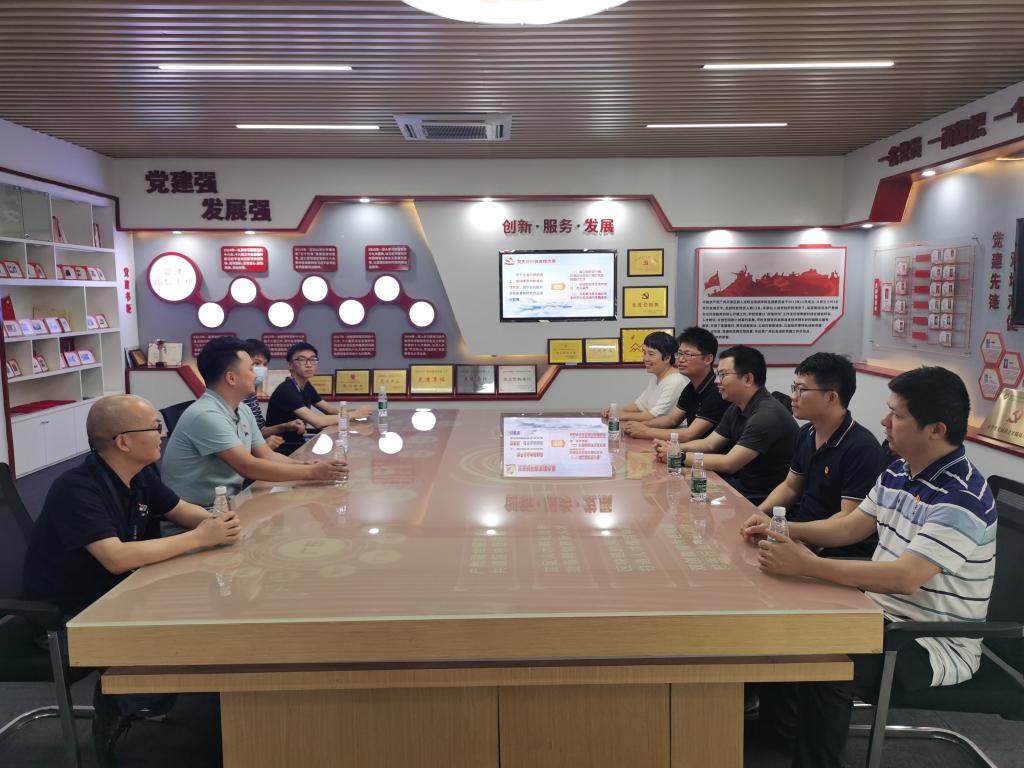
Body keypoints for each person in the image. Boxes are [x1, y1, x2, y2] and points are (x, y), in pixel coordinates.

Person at [740, 366, 996, 768]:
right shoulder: (898, 470)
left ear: (936, 429)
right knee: (784, 620)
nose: (884, 421)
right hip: (877, 614)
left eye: (897, 415)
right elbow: (850, 526)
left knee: (826, 660)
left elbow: (905, 577)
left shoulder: (961, 498)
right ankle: (778, 738)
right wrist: (782, 528)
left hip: (930, 641)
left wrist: (808, 563)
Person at [20, 393, 241, 764]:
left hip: (120, 593)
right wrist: (201, 538)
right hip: (68, 617)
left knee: (214, 604)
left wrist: (217, 522)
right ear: (123, 441)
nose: (163, 433)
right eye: (155, 427)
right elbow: (116, 558)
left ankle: (162, 700)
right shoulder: (77, 489)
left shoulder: (139, 475)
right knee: (198, 616)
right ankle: (125, 711)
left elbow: (182, 511)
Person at [162, 336, 347, 507]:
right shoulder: (206, 415)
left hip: (233, 501)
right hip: (203, 513)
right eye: (251, 369)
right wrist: (312, 473)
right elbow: (248, 467)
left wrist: (305, 466)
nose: (256, 375)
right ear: (231, 378)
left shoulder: (242, 409)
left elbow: (266, 455)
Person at [754, 352, 883, 557]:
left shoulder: (862, 448)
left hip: (832, 549)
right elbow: (790, 487)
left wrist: (795, 539)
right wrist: (757, 514)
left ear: (831, 397)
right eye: (794, 388)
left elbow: (847, 518)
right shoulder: (807, 433)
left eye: (802, 390)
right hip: (799, 531)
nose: (793, 397)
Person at [656, 345, 798, 505]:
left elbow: (729, 463)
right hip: (741, 486)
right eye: (718, 374)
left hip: (760, 498)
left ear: (748, 379)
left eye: (723, 375)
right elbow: (709, 444)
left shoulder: (766, 416)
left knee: (681, 498)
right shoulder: (737, 406)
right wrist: (673, 447)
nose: (717, 380)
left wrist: (678, 456)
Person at [623, 326, 728, 443]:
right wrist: (639, 426)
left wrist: (645, 431)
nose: (680, 360)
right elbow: (671, 420)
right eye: (680, 354)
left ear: (708, 359)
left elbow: (690, 434)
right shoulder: (691, 386)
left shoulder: (717, 390)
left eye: (688, 355)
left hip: (710, 452)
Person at [265, 342, 373, 454]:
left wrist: (359, 412)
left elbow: (330, 410)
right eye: (301, 360)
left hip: (298, 443)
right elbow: (317, 422)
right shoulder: (287, 389)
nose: (308, 364)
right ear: (290, 365)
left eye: (313, 359)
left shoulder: (306, 386)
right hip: (282, 447)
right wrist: (354, 414)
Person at [602, 331, 686, 423]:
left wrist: (622, 415)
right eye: (644, 353)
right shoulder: (656, 378)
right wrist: (615, 411)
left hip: (673, 431)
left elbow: (654, 416)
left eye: (651, 354)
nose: (645, 359)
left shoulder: (675, 381)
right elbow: (640, 405)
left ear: (667, 358)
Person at [242, 338, 305, 452]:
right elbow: (236, 446)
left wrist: (285, 426)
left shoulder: (251, 395)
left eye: (264, 364)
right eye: (256, 363)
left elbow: (260, 430)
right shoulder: (232, 399)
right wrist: (262, 447)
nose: (261, 368)